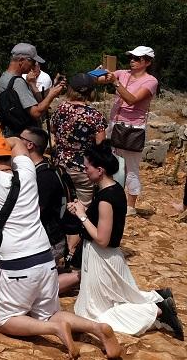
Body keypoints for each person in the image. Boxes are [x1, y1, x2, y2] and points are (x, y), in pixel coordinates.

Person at [0, 132, 120, 358]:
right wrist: (0, 144)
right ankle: (96, 328)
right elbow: (19, 142)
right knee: (49, 312)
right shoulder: (27, 171)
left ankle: (54, 329)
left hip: (15, 262)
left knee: (3, 320)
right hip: (44, 257)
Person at [65, 142, 183, 339]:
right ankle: (158, 296)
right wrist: (83, 210)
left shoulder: (105, 198)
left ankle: (159, 309)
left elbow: (102, 238)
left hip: (101, 257)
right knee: (117, 298)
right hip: (107, 256)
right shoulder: (114, 189)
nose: (85, 172)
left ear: (100, 170)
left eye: (87, 168)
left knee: (94, 314)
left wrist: (81, 216)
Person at [100, 46, 157, 217]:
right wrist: (98, 74)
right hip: (115, 124)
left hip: (132, 128)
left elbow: (132, 100)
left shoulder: (150, 81)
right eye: (131, 57)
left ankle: (131, 205)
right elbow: (100, 80)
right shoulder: (122, 73)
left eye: (137, 58)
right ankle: (112, 198)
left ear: (147, 62)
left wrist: (114, 82)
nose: (132, 60)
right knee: (112, 163)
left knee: (131, 168)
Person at [49, 73, 106, 206]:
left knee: (62, 203)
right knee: (83, 207)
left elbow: (53, 129)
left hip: (61, 164)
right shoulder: (94, 115)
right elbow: (101, 144)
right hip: (83, 168)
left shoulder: (61, 109)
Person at [20, 127, 69, 272]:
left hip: (48, 241)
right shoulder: (34, 169)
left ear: (30, 145)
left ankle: (75, 278)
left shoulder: (45, 176)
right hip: (38, 238)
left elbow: (37, 210)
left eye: (19, 139)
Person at [0, 43, 64, 136]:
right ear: (21, 60)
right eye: (32, 61)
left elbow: (38, 101)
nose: (34, 66)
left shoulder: (5, 77)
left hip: (10, 131)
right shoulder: (18, 82)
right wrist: (52, 94)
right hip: (24, 135)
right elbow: (36, 113)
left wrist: (32, 84)